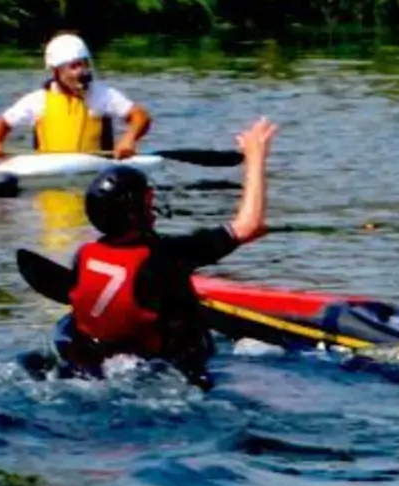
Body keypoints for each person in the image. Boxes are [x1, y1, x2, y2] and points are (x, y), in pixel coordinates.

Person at [51, 117, 277, 388]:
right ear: (136, 213)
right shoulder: (165, 256)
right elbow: (250, 225)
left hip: (99, 366)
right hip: (168, 372)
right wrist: (255, 157)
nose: (153, 208)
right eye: (148, 201)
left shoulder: (84, 255)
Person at [0, 33, 151, 159]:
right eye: (74, 67)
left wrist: (129, 138)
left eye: (83, 65)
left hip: (95, 169)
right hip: (50, 171)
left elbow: (140, 116)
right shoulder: (37, 101)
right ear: (56, 71)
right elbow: (2, 122)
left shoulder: (102, 95)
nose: (81, 72)